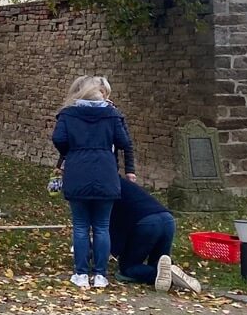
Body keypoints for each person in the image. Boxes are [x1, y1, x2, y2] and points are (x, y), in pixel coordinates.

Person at [52, 75, 134, 291]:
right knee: (102, 226)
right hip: (105, 172)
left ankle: (80, 274)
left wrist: (72, 151)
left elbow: (58, 139)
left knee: (80, 226)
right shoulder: (111, 114)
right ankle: (100, 275)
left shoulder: (68, 114)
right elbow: (124, 142)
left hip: (78, 170)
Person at [110, 176, 202, 293]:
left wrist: (113, 250)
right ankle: (172, 270)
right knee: (160, 262)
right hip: (168, 220)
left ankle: (163, 275)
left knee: (128, 268)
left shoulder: (106, 190)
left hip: (148, 224)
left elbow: (115, 226)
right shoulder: (125, 184)